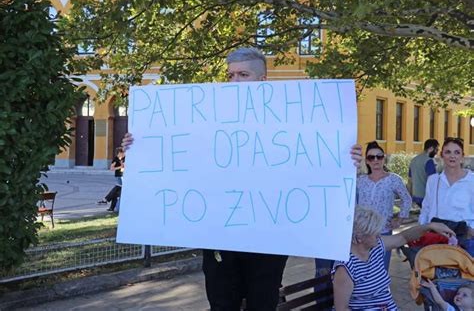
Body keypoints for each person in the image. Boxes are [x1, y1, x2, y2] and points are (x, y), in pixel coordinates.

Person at [122, 47, 364, 310]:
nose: (235, 81)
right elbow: (179, 152)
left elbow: (312, 162)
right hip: (219, 234)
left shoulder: (289, 119)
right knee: (221, 302)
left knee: (263, 302)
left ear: (261, 81)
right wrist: (139, 147)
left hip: (268, 238)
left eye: (243, 74)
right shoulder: (207, 115)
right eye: (230, 75)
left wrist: (345, 159)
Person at [332, 206, 454, 310]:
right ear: (359, 238)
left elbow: (404, 237)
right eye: (375, 232)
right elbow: (341, 309)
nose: (379, 235)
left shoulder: (375, 246)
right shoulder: (345, 268)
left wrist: (429, 226)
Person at [356, 141, 412, 270]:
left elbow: (407, 199)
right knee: (361, 267)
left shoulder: (393, 179)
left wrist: (400, 219)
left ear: (384, 158)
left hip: (383, 232)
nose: (375, 160)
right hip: (361, 232)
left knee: (381, 268)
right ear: (367, 161)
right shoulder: (360, 181)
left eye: (379, 156)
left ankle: (380, 290)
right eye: (371, 157)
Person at [419, 137, 474, 237]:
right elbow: (426, 209)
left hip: (466, 238)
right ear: (442, 156)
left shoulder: (472, 180)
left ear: (462, 157)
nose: (452, 156)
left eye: (457, 152)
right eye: (448, 152)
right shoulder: (433, 180)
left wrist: (471, 230)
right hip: (437, 237)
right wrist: (423, 228)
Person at [408, 139, 439, 207]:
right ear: (431, 148)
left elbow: (410, 181)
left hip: (416, 196)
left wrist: (410, 197)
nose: (437, 152)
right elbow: (432, 182)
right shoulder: (429, 161)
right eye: (436, 150)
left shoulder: (413, 160)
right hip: (426, 197)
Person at [97, 147, 125, 211]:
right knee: (120, 187)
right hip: (119, 176)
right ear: (119, 153)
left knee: (117, 192)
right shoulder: (115, 159)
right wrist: (120, 167)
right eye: (123, 153)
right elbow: (111, 168)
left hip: (123, 176)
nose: (124, 154)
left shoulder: (123, 159)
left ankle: (110, 206)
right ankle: (106, 199)